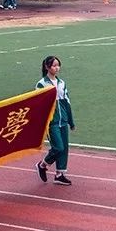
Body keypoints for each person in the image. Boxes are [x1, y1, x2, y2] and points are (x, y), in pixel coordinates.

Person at [35, 55, 75, 185]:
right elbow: (39, 104)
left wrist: (71, 121)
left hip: (63, 120)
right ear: (47, 67)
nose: (57, 68)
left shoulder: (62, 83)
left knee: (64, 148)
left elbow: (66, 102)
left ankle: (60, 174)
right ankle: (43, 165)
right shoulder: (42, 84)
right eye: (54, 65)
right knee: (58, 147)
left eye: (58, 65)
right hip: (51, 122)